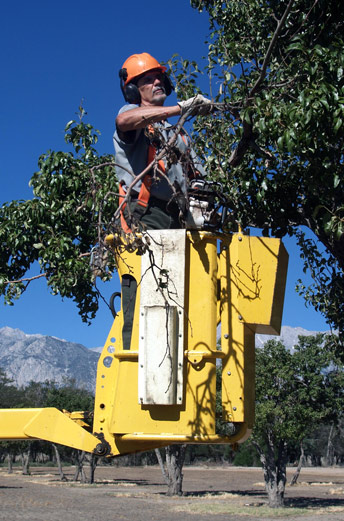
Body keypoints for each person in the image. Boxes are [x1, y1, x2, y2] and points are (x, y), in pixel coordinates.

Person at [113, 52, 211, 349]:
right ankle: (133, 356)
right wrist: (180, 108)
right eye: (146, 80)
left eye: (158, 77)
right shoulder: (135, 118)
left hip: (178, 218)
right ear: (133, 90)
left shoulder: (179, 135)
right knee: (143, 290)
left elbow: (199, 179)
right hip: (145, 213)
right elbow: (123, 120)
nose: (156, 82)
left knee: (179, 294)